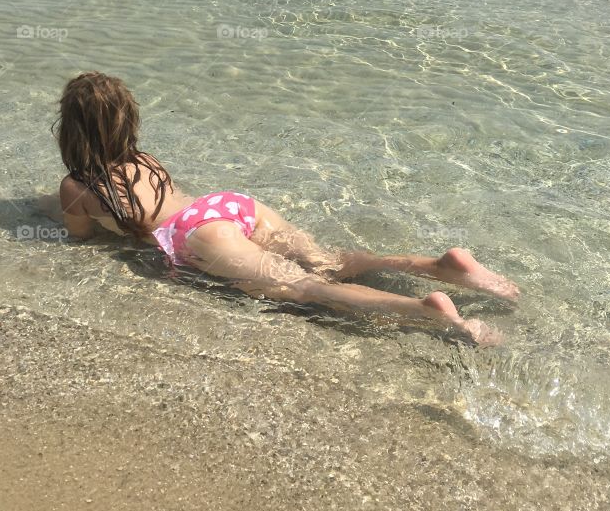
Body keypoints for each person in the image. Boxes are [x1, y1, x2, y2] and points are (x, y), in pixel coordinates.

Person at [34, 72, 518, 346]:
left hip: (199, 237)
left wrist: (52, 217)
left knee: (308, 288)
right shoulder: (147, 161)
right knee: (330, 259)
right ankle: (439, 266)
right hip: (228, 206)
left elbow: (83, 237)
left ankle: (433, 313)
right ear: (128, 121)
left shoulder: (77, 185)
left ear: (70, 131)